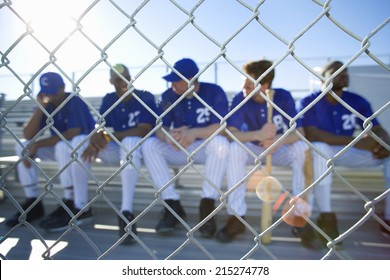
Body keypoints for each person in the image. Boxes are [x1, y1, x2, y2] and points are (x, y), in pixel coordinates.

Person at [297, 60, 390, 247]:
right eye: (337, 71)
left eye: (345, 71)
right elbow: (313, 134)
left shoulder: (357, 100)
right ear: (323, 77)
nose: (344, 74)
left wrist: (384, 142)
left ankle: (388, 219)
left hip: (350, 151)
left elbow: (378, 129)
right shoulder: (309, 100)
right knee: (319, 148)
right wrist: (358, 141)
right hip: (326, 150)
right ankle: (326, 216)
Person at [219, 59, 309, 242]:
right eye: (244, 81)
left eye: (249, 82)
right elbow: (230, 134)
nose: (244, 85)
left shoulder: (282, 97)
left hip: (278, 149)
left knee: (301, 148)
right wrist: (258, 135)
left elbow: (299, 133)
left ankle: (299, 215)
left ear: (264, 85)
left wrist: (278, 140)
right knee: (235, 148)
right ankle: (236, 216)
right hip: (253, 148)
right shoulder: (240, 98)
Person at [141, 58, 230, 236]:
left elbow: (221, 127)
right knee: (150, 145)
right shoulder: (168, 95)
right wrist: (169, 137)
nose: (172, 84)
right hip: (179, 146)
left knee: (221, 143)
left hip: (205, 146)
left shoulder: (213, 91)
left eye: (176, 80)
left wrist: (194, 132)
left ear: (190, 79)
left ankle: (207, 205)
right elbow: (159, 128)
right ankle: (172, 205)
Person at [5, 72, 95, 232]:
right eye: (47, 92)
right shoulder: (48, 105)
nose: (50, 96)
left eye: (53, 92)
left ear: (62, 88)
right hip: (60, 148)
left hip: (82, 149)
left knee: (63, 145)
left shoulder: (73, 100)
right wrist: (41, 107)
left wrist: (39, 144)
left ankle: (71, 201)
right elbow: (27, 135)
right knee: (22, 145)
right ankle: (33, 202)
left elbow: (73, 132)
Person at [81, 64, 157, 244]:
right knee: (82, 143)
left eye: (126, 77)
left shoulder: (145, 96)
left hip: (142, 151)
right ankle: (79, 205)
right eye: (118, 79)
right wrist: (98, 137)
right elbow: (102, 126)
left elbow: (142, 130)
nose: (123, 82)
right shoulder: (109, 99)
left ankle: (126, 212)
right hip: (118, 150)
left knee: (129, 142)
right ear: (111, 82)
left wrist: (109, 136)